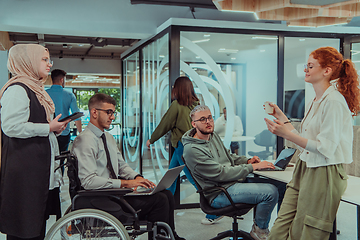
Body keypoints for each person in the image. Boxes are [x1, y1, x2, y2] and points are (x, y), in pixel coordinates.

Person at [264, 46, 360, 240]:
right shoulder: (316, 100)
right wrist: (282, 118)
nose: (305, 69)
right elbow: (306, 142)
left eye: (310, 66)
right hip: (305, 167)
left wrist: (288, 135)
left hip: (324, 172)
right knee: (279, 228)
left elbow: (325, 148)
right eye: (306, 66)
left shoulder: (333, 101)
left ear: (327, 71)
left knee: (306, 232)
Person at [71, 93, 185, 240]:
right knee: (160, 201)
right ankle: (161, 237)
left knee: (167, 194)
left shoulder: (109, 138)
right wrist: (126, 183)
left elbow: (121, 166)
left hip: (114, 193)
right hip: (101, 197)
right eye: (109, 112)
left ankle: (170, 236)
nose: (112, 117)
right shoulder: (85, 141)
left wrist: (137, 178)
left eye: (113, 112)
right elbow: (88, 181)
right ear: (94, 112)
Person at [0, 44, 69, 240]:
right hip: (24, 175)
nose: (49, 64)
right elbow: (11, 127)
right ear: (27, 61)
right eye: (43, 59)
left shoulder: (35, 89)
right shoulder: (17, 89)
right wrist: (48, 128)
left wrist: (53, 130)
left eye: (49, 60)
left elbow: (32, 126)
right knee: (24, 229)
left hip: (36, 172)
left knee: (36, 226)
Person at [183, 105, 282, 240]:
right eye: (202, 119)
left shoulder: (212, 135)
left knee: (279, 184)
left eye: (210, 117)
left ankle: (282, 229)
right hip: (219, 192)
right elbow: (221, 173)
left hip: (233, 183)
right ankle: (260, 231)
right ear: (194, 124)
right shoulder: (192, 149)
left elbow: (229, 157)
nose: (208, 122)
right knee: (270, 192)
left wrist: (247, 161)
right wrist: (253, 167)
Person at [145, 76, 221, 225]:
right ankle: (162, 209)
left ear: (177, 89)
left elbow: (164, 124)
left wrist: (151, 139)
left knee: (195, 180)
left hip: (183, 146)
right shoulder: (196, 105)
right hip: (192, 145)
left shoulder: (176, 106)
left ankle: (215, 210)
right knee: (170, 178)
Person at [46, 69, 82, 174]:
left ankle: (49, 186)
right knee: (60, 160)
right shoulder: (69, 95)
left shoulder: (44, 94)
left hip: (47, 132)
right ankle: (58, 186)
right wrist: (80, 134)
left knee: (48, 159)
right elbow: (77, 116)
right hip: (64, 133)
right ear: (62, 80)